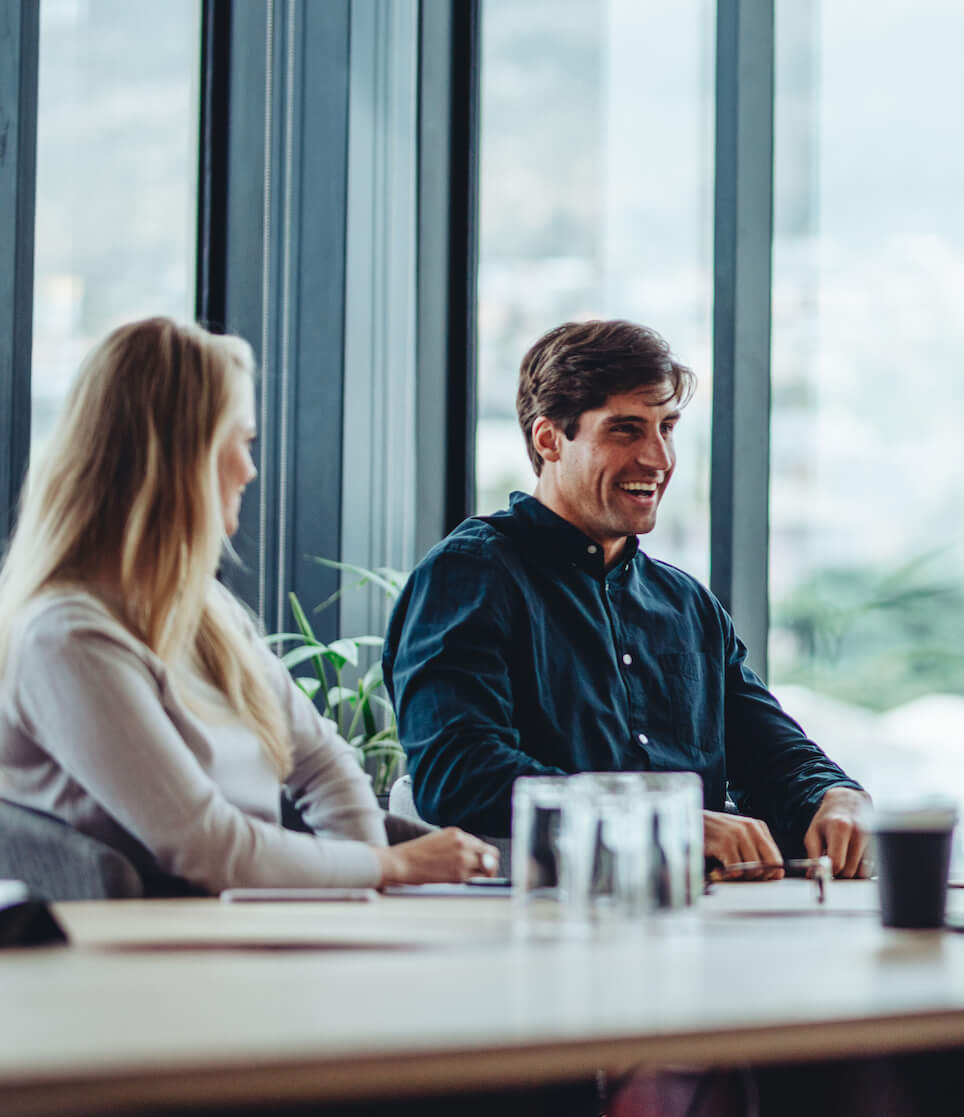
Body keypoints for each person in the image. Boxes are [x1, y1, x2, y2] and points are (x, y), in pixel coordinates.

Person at [0, 318, 494, 892]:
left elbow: (322, 763)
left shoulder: (202, 608)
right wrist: (390, 866)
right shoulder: (68, 640)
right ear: (183, 457)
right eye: (243, 442)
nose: (251, 469)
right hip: (145, 955)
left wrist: (365, 889)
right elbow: (206, 847)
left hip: (240, 927)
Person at [385, 320, 869, 878]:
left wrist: (835, 794)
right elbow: (460, 774)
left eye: (667, 428)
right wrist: (664, 820)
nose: (659, 459)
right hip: (534, 927)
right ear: (549, 439)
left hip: (700, 922)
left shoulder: (687, 604)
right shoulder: (469, 575)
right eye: (625, 430)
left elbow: (772, 755)